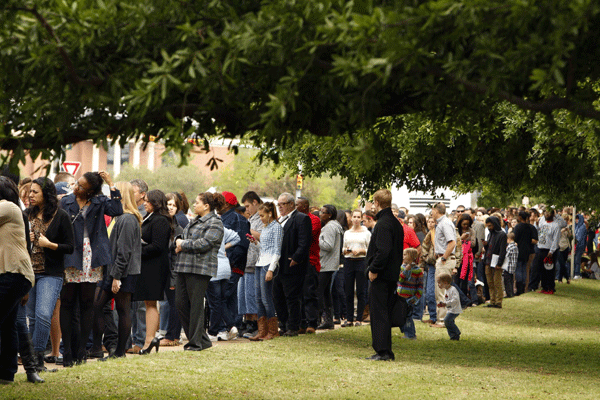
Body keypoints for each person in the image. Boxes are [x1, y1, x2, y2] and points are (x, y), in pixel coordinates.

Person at [60, 171, 122, 366]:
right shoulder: (66, 201)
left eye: (81, 186)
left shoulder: (99, 201)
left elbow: (117, 209)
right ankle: (68, 351)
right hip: (71, 254)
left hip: (92, 256)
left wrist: (111, 183)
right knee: (68, 303)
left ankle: (82, 352)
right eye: (76, 183)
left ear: (91, 191)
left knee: (87, 303)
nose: (76, 187)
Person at [25, 177, 74, 372]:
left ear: (47, 194)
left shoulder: (60, 216)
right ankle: (32, 360)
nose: (30, 195)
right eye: (30, 191)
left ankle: (37, 358)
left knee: (44, 314)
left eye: (35, 192)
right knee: (33, 318)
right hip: (28, 273)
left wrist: (50, 245)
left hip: (50, 273)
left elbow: (70, 247)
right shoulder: (26, 215)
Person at [92, 181, 142, 359]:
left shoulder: (128, 219)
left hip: (123, 273)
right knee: (97, 306)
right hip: (112, 271)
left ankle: (120, 350)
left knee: (122, 310)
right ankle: (101, 346)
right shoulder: (119, 217)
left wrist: (116, 277)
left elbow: (124, 251)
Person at [174, 192, 224, 351]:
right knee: (181, 303)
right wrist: (178, 242)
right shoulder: (194, 220)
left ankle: (195, 343)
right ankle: (203, 340)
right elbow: (182, 236)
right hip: (183, 266)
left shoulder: (215, 222)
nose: (194, 205)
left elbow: (205, 243)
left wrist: (183, 244)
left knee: (196, 305)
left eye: (197, 202)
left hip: (200, 268)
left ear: (206, 206)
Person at [0, 176, 36, 384]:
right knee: (8, 325)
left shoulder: (9, 208)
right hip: (13, 274)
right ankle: (6, 373)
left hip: (13, 274)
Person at [366, 189, 403, 361]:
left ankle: (382, 350)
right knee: (385, 311)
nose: (373, 206)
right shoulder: (394, 222)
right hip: (391, 274)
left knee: (379, 312)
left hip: (381, 275)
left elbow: (383, 250)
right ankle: (385, 349)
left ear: (377, 203)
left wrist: (374, 269)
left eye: (373, 203)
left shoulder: (383, 224)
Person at [133, 190, 172, 354]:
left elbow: (158, 246)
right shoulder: (152, 217)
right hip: (148, 266)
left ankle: (149, 340)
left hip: (155, 267)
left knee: (151, 303)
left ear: (156, 203)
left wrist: (137, 250)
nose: (144, 203)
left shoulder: (161, 220)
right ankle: (149, 339)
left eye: (148, 201)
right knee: (148, 303)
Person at [273, 192, 312, 336]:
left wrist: (296, 258)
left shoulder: (301, 219)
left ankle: (293, 326)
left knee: (292, 297)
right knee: (278, 296)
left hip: (292, 265)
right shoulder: (279, 220)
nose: (280, 207)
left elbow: (304, 242)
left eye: (282, 204)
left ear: (291, 204)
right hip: (277, 265)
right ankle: (283, 323)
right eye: (278, 205)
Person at [249, 202, 283, 340]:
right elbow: (265, 248)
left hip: (268, 264)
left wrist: (271, 269)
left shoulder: (277, 227)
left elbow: (277, 250)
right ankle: (262, 330)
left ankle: (273, 330)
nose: (261, 218)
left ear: (270, 213)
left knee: (266, 298)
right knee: (258, 299)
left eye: (262, 215)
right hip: (260, 262)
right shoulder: (265, 227)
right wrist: (256, 243)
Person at [220, 191, 250, 337]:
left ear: (226, 204)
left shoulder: (239, 220)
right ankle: (233, 326)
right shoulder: (223, 218)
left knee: (221, 296)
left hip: (232, 265)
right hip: (228, 264)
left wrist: (230, 262)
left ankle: (230, 326)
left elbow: (241, 245)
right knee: (230, 297)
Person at [206, 218, 241, 342]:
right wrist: (224, 247)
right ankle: (230, 326)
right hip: (225, 268)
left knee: (215, 303)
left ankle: (214, 331)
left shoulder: (206, 229)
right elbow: (237, 237)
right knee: (220, 301)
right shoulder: (222, 228)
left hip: (213, 268)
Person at [160, 192, 186, 346]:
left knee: (174, 304)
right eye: (167, 204)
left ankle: (172, 336)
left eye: (173, 205)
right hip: (166, 271)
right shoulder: (166, 224)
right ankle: (172, 335)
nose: (170, 207)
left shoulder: (178, 228)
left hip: (174, 272)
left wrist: (174, 277)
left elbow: (175, 255)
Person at [239, 191, 264, 338]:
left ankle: (255, 322)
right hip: (246, 262)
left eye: (248, 206)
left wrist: (248, 231)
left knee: (252, 295)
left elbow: (263, 236)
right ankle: (247, 320)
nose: (246, 209)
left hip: (255, 262)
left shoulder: (260, 218)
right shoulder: (251, 218)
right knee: (244, 296)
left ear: (255, 202)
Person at [342, 209, 371, 327]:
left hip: (361, 261)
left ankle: (359, 318)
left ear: (361, 219)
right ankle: (349, 319)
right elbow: (343, 249)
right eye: (354, 217)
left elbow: (370, 249)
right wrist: (348, 250)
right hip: (349, 261)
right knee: (348, 291)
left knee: (361, 291)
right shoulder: (347, 233)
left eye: (358, 217)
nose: (356, 219)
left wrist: (361, 250)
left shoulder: (366, 233)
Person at [296, 197, 321, 334]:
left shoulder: (314, 220)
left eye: (297, 204)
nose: (295, 206)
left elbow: (306, 236)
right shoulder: (294, 218)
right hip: (297, 261)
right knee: (298, 294)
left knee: (309, 293)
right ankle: (301, 322)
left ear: (305, 206)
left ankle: (312, 322)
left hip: (310, 261)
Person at [317, 204, 344, 330]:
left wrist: (317, 239)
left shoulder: (330, 227)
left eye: (323, 212)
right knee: (326, 293)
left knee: (319, 291)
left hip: (326, 264)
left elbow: (328, 245)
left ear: (329, 215)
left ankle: (318, 318)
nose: (320, 214)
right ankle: (328, 319)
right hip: (330, 264)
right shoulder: (335, 226)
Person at [430, 203, 456, 327]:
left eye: (432, 211)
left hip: (445, 259)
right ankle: (443, 319)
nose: (431, 214)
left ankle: (442, 320)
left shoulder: (445, 223)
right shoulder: (442, 223)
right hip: (442, 258)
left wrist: (444, 257)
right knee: (440, 291)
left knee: (441, 291)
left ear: (436, 211)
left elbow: (452, 243)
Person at [529, 208, 560, 294]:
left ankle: (550, 287)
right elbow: (538, 232)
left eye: (548, 213)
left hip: (549, 250)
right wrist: (537, 223)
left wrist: (551, 251)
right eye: (545, 213)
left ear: (553, 214)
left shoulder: (555, 225)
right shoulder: (542, 223)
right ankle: (543, 287)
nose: (546, 214)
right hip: (540, 248)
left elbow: (555, 239)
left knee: (549, 270)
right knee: (539, 269)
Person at [397, 248, 423, 340]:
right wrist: (406, 270)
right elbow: (400, 279)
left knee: (408, 317)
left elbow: (420, 286)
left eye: (405, 255)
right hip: (400, 297)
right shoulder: (401, 267)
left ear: (412, 257)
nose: (403, 256)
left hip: (410, 298)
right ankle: (405, 331)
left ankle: (410, 334)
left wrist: (416, 298)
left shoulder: (418, 271)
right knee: (400, 315)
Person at [484, 216, 507, 308]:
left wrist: (499, 263)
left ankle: (498, 302)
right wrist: (486, 245)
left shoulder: (502, 234)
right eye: (488, 226)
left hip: (496, 261)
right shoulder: (490, 234)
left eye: (490, 226)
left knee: (497, 282)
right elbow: (490, 247)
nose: (489, 228)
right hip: (488, 261)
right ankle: (492, 301)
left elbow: (502, 250)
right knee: (490, 282)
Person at [420, 216, 437, 324]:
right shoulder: (429, 234)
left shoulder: (447, 230)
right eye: (429, 221)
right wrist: (423, 263)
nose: (431, 223)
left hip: (443, 264)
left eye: (433, 221)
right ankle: (433, 316)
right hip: (431, 266)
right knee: (430, 293)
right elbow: (424, 248)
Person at [437, 273, 462, 341]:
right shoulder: (446, 290)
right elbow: (446, 300)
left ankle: (456, 332)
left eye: (439, 283)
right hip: (450, 309)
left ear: (445, 282)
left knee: (447, 321)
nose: (438, 285)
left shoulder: (453, 289)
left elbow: (455, 300)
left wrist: (446, 304)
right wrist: (442, 304)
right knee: (449, 322)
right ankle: (453, 336)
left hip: (455, 310)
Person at [503, 232, 518, 298]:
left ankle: (509, 294)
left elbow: (506, 256)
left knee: (507, 281)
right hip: (513, 266)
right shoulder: (515, 246)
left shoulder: (510, 247)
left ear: (509, 238)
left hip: (508, 266)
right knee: (511, 280)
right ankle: (511, 292)